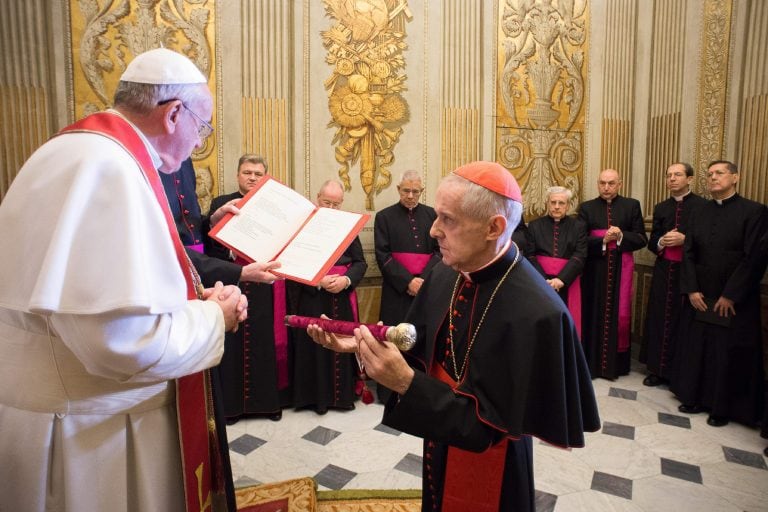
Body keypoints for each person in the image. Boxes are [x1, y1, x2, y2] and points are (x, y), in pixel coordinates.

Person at [0, 48, 247, 512]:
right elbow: (120, 341)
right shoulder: (111, 169)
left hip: (56, 418)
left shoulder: (69, 150)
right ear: (174, 113)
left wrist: (192, 300)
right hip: (91, 438)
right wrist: (215, 318)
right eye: (203, 127)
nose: (199, 143)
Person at [308, 161, 600, 511]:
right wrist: (366, 345)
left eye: (448, 219)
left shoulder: (540, 313)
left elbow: (491, 425)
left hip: (494, 462)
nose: (433, 230)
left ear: (494, 227)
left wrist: (405, 383)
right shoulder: (447, 272)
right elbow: (421, 341)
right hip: (440, 434)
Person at [673, 160, 767, 428]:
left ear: (735, 177)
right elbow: (688, 253)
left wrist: (731, 295)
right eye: (710, 174)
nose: (713, 178)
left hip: (732, 299)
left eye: (719, 173)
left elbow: (755, 258)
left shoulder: (755, 211)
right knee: (698, 348)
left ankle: (722, 408)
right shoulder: (699, 212)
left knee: (725, 353)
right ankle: (694, 397)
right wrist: (691, 289)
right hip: (700, 295)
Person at [207, 154, 291, 423]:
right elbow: (211, 247)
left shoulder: (273, 205)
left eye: (258, 173)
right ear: (237, 175)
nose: (252, 177)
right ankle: (232, 407)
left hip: (264, 285)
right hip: (233, 280)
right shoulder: (222, 204)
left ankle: (266, 404)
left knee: (263, 342)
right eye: (247, 172)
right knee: (232, 344)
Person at [288, 180, 368, 414]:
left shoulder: (348, 227)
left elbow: (360, 262)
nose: (331, 208)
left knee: (339, 345)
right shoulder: (303, 226)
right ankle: (313, 399)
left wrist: (346, 280)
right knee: (313, 346)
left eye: (336, 204)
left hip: (340, 297)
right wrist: (317, 281)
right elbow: (292, 263)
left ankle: (340, 397)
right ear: (317, 198)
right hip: (312, 297)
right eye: (326, 202)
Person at [374, 169, 441, 402]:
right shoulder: (384, 217)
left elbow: (439, 250)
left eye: (416, 191)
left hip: (426, 289)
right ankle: (390, 390)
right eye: (406, 190)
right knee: (393, 337)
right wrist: (407, 282)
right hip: (397, 290)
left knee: (423, 339)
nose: (411, 195)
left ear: (421, 191)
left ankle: (420, 389)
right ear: (398, 190)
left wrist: (422, 280)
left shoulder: (433, 215)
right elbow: (383, 256)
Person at [639, 163, 707, 387]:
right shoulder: (661, 207)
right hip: (664, 270)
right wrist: (661, 241)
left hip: (690, 273)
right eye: (669, 175)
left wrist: (684, 239)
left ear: (689, 179)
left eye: (678, 175)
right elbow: (651, 242)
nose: (672, 179)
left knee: (684, 321)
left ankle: (679, 372)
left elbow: (710, 242)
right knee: (660, 318)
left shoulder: (703, 207)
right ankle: (657, 370)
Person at [578, 169, 647, 379]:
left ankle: (617, 366)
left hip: (621, 269)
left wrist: (620, 237)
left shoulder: (631, 205)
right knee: (593, 312)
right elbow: (579, 240)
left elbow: (642, 238)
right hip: (594, 271)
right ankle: (591, 363)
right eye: (602, 183)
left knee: (620, 314)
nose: (606, 187)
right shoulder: (587, 208)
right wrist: (603, 240)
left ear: (620, 184)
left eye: (611, 183)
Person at [526, 185, 587, 338]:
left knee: (565, 323)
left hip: (568, 281)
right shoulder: (534, 225)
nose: (557, 207)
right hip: (540, 281)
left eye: (561, 203)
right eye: (553, 202)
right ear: (548, 203)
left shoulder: (578, 227)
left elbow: (580, 255)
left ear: (568, 205)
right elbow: (530, 255)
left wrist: (561, 280)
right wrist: (543, 280)